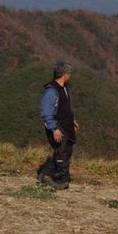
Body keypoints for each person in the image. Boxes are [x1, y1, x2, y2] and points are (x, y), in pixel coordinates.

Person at [37, 61, 78, 189]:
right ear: (64, 74)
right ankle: (60, 181)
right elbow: (47, 113)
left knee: (64, 151)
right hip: (58, 127)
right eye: (69, 72)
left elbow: (64, 107)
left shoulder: (64, 88)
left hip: (66, 125)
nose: (70, 75)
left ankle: (46, 174)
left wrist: (72, 120)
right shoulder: (51, 92)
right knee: (62, 153)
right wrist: (54, 129)